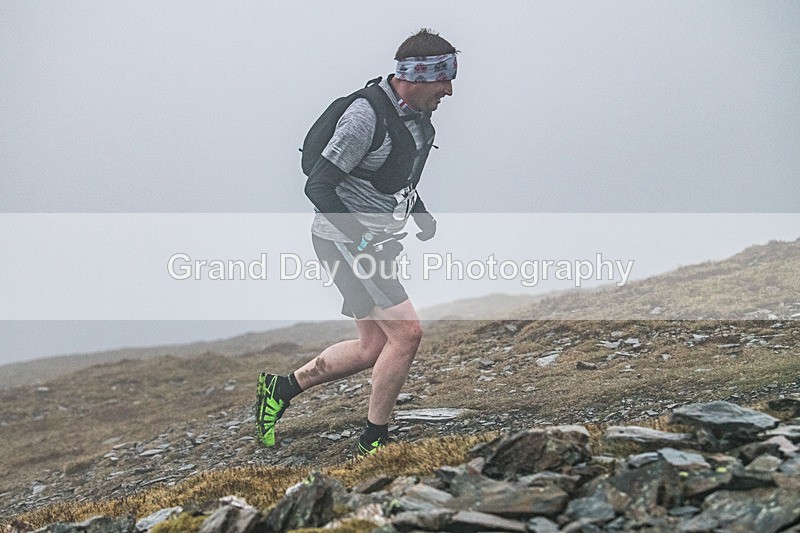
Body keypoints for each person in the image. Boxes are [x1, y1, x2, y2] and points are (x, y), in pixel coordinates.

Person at [257, 28, 457, 456]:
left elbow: (394, 173)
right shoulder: (366, 116)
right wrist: (361, 238)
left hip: (375, 240)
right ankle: (374, 441)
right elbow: (320, 187)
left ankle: (279, 389)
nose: (450, 89)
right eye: (443, 79)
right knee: (407, 335)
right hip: (347, 242)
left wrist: (421, 214)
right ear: (416, 77)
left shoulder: (417, 117)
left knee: (372, 348)